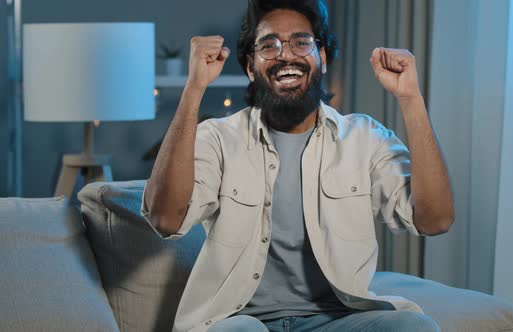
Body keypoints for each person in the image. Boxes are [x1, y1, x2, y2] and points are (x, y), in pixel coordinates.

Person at [142, 0, 454, 331]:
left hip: (336, 320)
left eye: (301, 42)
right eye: (269, 45)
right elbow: (165, 219)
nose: (286, 55)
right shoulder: (219, 138)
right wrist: (194, 88)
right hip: (242, 322)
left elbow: (435, 219)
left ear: (322, 57)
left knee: (414, 327)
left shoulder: (365, 138)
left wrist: (411, 99)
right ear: (251, 67)